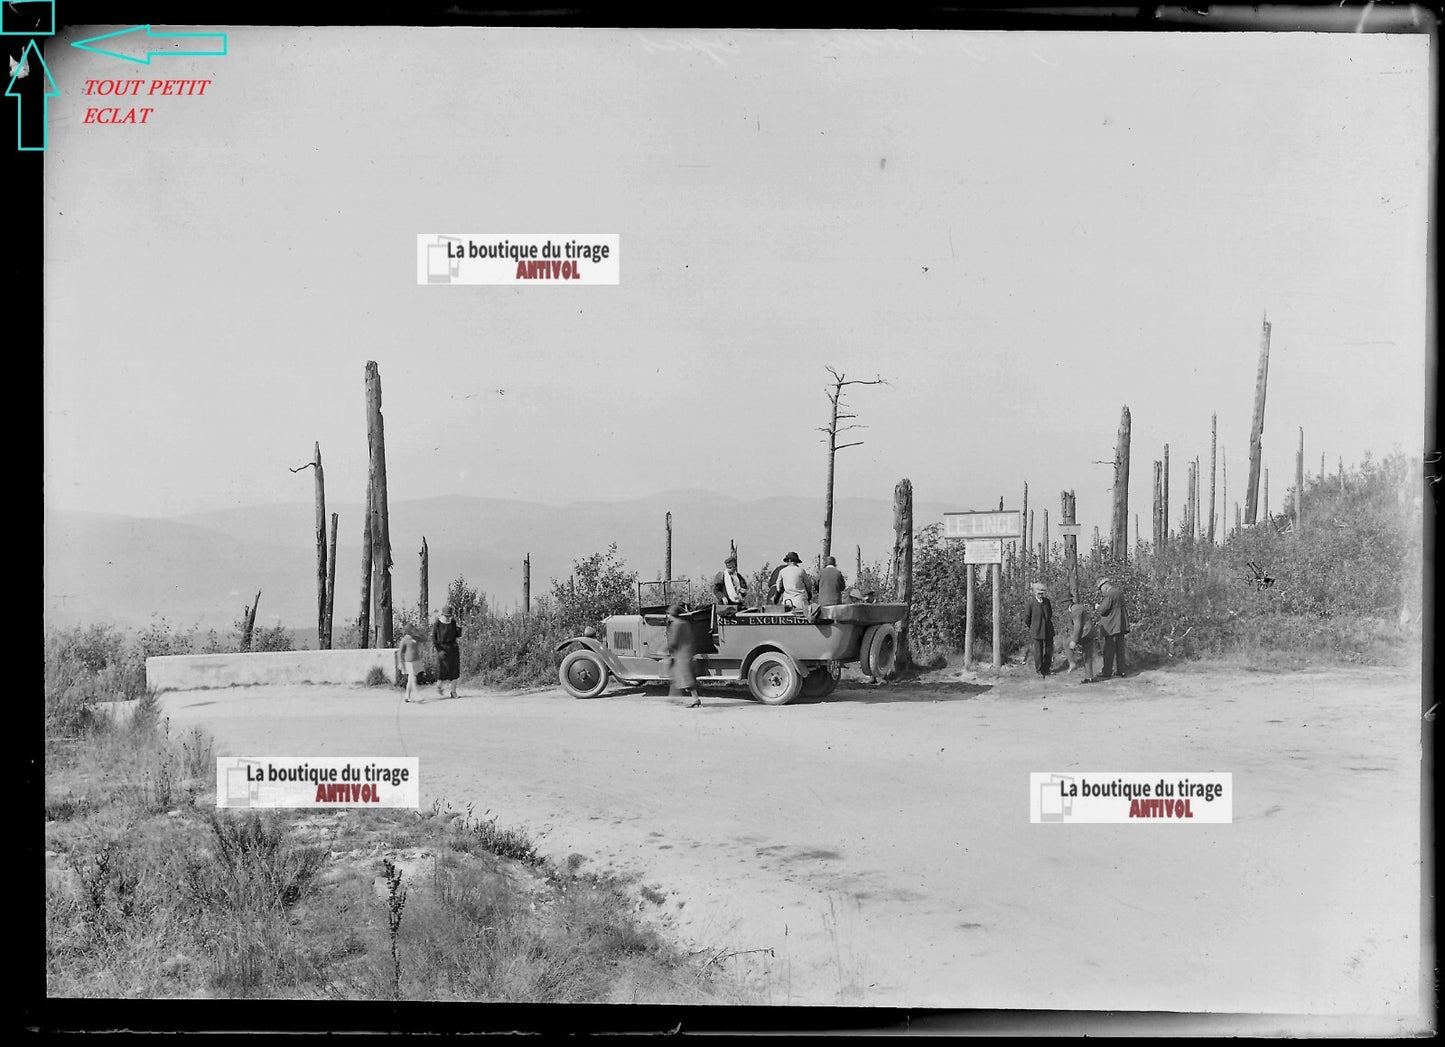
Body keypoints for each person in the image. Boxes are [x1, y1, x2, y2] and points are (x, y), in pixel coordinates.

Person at [665, 601, 701, 708]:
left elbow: (674, 641)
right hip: (688, 652)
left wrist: (665, 650)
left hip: (681, 654)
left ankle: (695, 699)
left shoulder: (676, 625)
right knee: (679, 675)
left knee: (686, 677)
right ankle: (673, 698)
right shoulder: (685, 623)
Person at [1095, 576, 1130, 679]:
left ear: (1105, 586)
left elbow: (1103, 610)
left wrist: (1098, 607)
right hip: (1120, 626)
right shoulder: (1119, 592)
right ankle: (1121, 671)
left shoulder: (1110, 594)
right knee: (1120, 650)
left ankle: (1106, 672)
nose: (1101, 592)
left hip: (1112, 627)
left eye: (1100, 589)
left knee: (1108, 650)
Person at [1023, 581, 1055, 677]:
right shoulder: (1030, 603)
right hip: (1036, 631)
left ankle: (1046, 669)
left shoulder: (1047, 602)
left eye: (1042, 593)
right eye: (1039, 593)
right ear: (1034, 593)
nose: (1041, 595)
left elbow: (1050, 614)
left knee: (1049, 650)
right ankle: (1039, 670)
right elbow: (1026, 618)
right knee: (1038, 652)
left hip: (1048, 630)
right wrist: (1032, 627)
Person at [431, 603, 463, 699]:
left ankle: (453, 692)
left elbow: (456, 635)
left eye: (450, 616)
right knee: (444, 670)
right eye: (446, 616)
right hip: (443, 649)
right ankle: (439, 686)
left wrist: (459, 630)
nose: (448, 617)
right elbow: (433, 638)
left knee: (455, 671)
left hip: (453, 649)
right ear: (443, 614)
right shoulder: (438, 623)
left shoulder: (452, 622)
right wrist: (439, 650)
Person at [1064, 592, 1098, 682]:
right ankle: (1089, 678)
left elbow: (1078, 626)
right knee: (1087, 654)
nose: (1063, 604)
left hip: (1086, 632)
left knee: (1067, 643)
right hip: (1087, 632)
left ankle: (1072, 663)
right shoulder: (1072, 608)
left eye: (1064, 602)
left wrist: (1074, 640)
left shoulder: (1076, 609)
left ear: (1069, 601)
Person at [398, 628, 424, 703]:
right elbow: (400, 652)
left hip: (416, 660)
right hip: (408, 661)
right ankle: (417, 695)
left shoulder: (415, 638)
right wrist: (401, 662)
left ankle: (407, 696)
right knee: (413, 677)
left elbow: (424, 640)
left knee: (410, 678)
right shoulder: (404, 639)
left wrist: (419, 633)